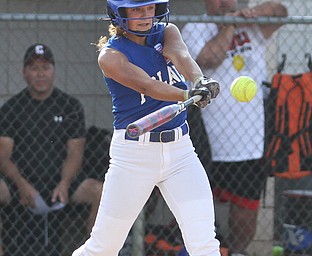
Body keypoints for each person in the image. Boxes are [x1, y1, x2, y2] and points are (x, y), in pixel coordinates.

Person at [72, 0, 221, 255]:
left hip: (181, 153)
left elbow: (181, 56)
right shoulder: (110, 56)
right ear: (119, 15)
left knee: (204, 242)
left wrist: (199, 79)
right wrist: (186, 94)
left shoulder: (166, 32)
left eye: (149, 8)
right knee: (104, 248)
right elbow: (147, 86)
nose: (145, 15)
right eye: (137, 9)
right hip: (134, 156)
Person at [181, 1, 288, 255]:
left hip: (249, 140)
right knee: (196, 203)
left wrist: (252, 14)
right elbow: (209, 59)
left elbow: (281, 12)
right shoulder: (195, 28)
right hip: (207, 139)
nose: (224, 3)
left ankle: (238, 252)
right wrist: (229, 25)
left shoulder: (251, 26)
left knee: (246, 205)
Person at [0, 44, 103, 255]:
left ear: (53, 70)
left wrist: (64, 183)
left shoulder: (70, 106)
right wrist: (21, 184)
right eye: (34, 68)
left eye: (45, 67)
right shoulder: (11, 108)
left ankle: (95, 251)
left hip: (61, 182)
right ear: (24, 72)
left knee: (101, 191)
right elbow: (3, 156)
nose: (40, 74)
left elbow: (75, 153)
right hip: (21, 182)